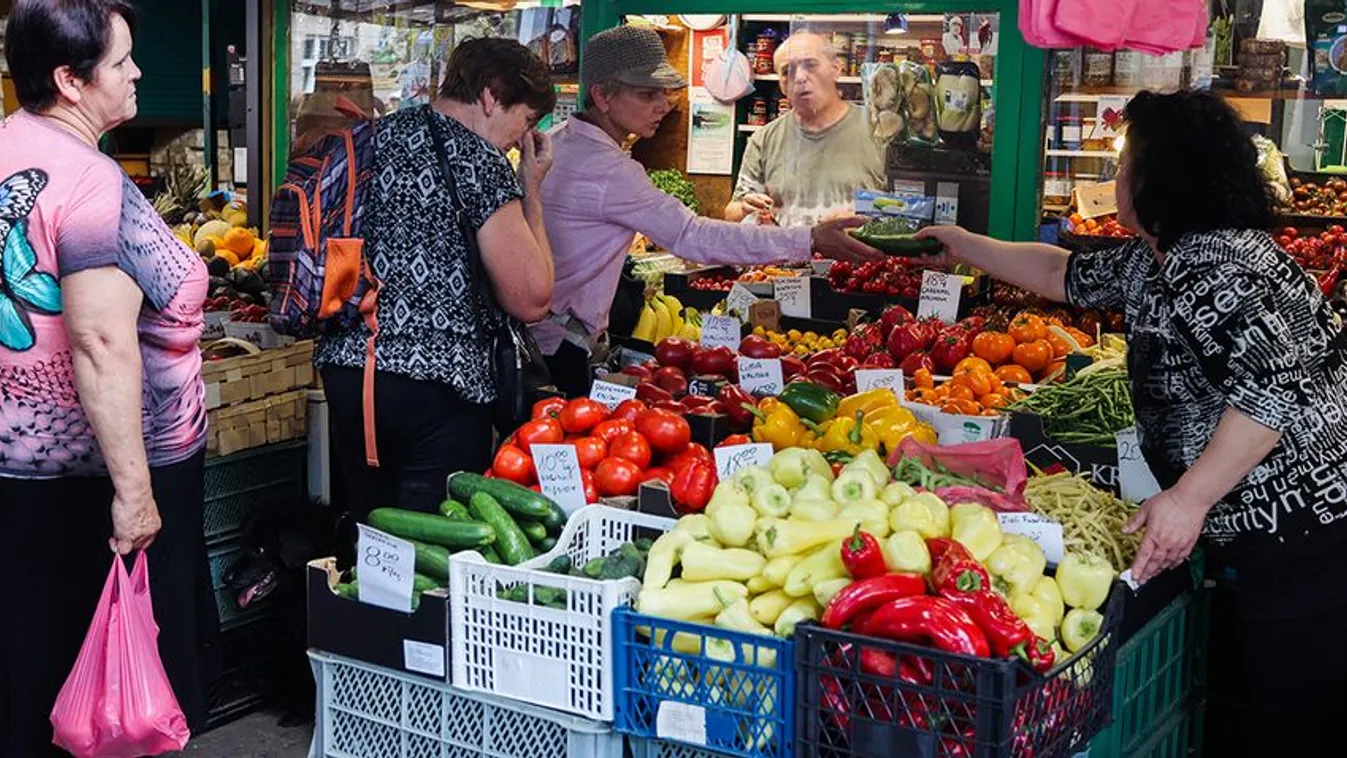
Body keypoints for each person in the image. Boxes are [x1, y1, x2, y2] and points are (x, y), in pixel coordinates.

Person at [919, 89, 1347, 755]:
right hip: (1271, 535)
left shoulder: (1216, 266)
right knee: (1261, 700)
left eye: (1124, 166)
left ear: (1161, 178)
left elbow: (1272, 390)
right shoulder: (1165, 255)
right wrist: (964, 245)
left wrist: (1188, 499)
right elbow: (1063, 272)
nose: (1112, 180)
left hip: (1302, 534)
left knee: (1287, 714)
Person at [0, 1, 218, 753]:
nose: (136, 74)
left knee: (27, 669)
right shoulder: (91, 181)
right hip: (104, 476)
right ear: (70, 79)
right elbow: (98, 337)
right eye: (122, 61)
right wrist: (133, 493)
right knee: (116, 696)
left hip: (16, 470)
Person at [537, 25, 882, 396]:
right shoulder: (608, 169)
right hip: (561, 345)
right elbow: (693, 236)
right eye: (647, 94)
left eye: (664, 93)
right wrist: (809, 239)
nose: (663, 105)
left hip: (537, 336)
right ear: (603, 96)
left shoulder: (557, 142)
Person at [316, 38, 554, 522]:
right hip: (438, 390)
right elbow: (532, 298)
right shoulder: (479, 161)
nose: (520, 138)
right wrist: (531, 191)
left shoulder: (368, 140)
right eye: (526, 120)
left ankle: (359, 599)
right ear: (490, 96)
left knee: (372, 533)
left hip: (349, 377)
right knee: (433, 548)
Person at [724, 32, 885, 228]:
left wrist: (862, 214)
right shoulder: (765, 138)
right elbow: (732, 213)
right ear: (782, 85)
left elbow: (913, 205)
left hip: (862, 257)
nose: (799, 77)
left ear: (836, 69)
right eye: (787, 71)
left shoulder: (879, 128)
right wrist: (745, 208)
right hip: (787, 257)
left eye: (810, 65)